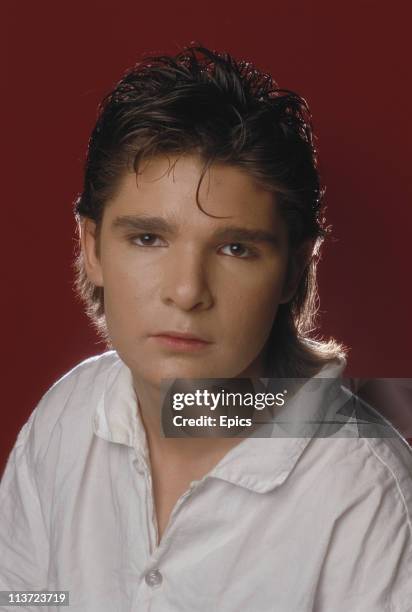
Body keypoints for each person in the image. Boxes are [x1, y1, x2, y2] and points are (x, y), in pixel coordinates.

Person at [0, 45, 411, 611]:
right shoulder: (66, 417)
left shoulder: (367, 494)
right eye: (148, 239)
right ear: (92, 248)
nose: (188, 290)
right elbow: (24, 601)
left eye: (236, 248)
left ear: (294, 269)